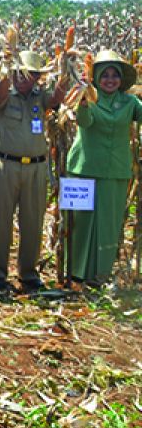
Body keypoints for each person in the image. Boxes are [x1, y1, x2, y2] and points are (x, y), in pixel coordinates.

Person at [0, 51, 65, 293]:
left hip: (36, 167)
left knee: (33, 221)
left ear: (36, 77)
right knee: (0, 221)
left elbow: (56, 101)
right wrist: (5, 73)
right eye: (18, 73)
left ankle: (28, 273)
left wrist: (66, 70)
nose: (23, 78)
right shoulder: (5, 94)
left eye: (29, 74)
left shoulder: (40, 97)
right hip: (6, 165)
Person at [66, 50, 142, 290]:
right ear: (96, 77)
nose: (110, 80)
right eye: (105, 75)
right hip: (84, 168)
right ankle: (75, 274)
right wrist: (84, 103)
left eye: (114, 75)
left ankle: (99, 276)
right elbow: (84, 122)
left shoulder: (129, 102)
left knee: (108, 224)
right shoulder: (88, 97)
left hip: (115, 171)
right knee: (80, 223)